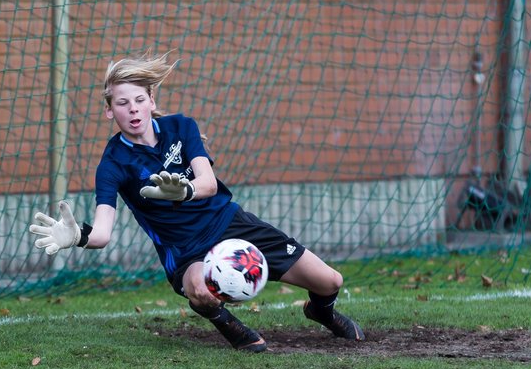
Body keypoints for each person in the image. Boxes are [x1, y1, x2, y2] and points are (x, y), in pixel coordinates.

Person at [28, 54, 364, 353]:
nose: (132, 109)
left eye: (139, 99)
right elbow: (102, 234)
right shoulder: (113, 164)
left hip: (232, 224)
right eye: (122, 103)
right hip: (185, 249)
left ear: (150, 100)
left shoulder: (181, 127)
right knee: (201, 292)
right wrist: (77, 236)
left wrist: (184, 190)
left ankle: (321, 312)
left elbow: (207, 183)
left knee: (331, 281)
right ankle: (234, 330)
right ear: (109, 110)